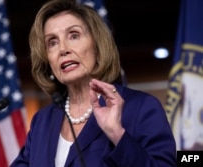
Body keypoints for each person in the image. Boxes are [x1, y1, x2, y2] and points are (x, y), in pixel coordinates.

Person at [10, 0, 176, 166]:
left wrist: (117, 134)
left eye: (74, 35)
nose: (63, 49)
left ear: (97, 47)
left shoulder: (141, 108)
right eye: (52, 42)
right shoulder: (43, 120)